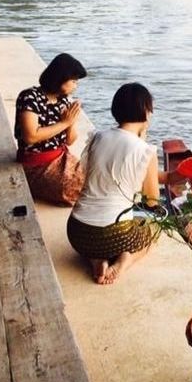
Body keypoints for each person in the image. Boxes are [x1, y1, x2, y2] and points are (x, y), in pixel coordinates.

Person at [68, 82, 160, 285]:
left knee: (97, 240)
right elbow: (152, 201)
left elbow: (88, 174)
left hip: (77, 232)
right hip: (114, 234)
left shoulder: (97, 137)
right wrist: (143, 142)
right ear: (145, 111)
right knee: (152, 235)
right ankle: (123, 263)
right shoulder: (146, 150)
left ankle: (96, 260)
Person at [15, 53, 88, 205]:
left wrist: (71, 121)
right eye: (73, 81)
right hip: (35, 163)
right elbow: (31, 136)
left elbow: (70, 140)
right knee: (74, 188)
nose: (76, 85)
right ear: (60, 78)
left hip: (60, 158)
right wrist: (64, 123)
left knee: (94, 179)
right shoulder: (30, 97)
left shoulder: (63, 100)